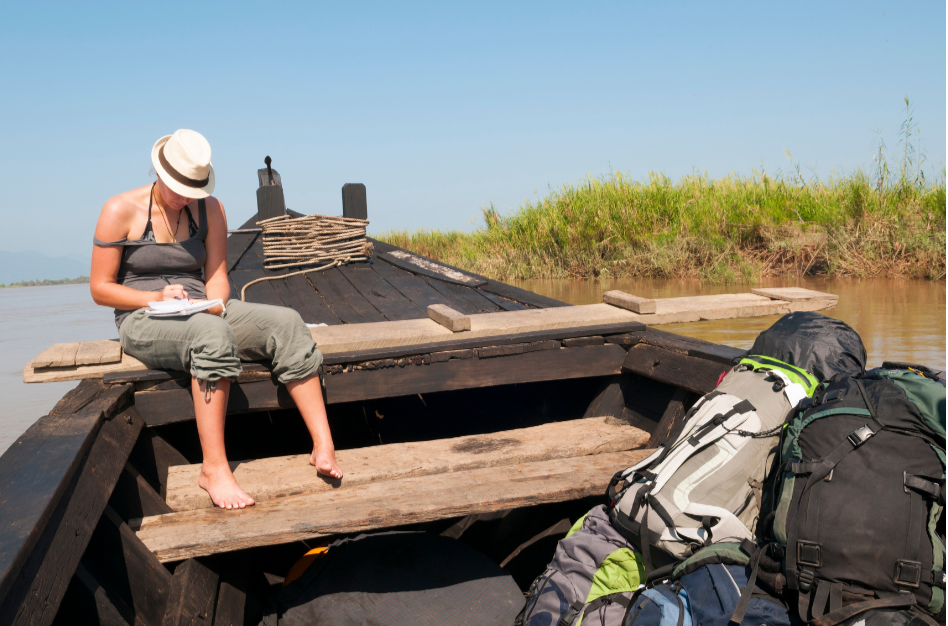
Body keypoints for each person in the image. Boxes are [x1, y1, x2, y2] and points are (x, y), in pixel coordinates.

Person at [90, 129, 342, 510]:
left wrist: (214, 302)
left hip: (199, 309)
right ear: (159, 173)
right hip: (141, 316)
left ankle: (323, 444)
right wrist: (155, 296)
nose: (185, 196)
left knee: (287, 322)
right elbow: (100, 288)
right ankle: (214, 468)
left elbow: (218, 275)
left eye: (193, 189)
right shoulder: (119, 210)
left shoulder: (210, 209)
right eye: (178, 187)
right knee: (211, 335)